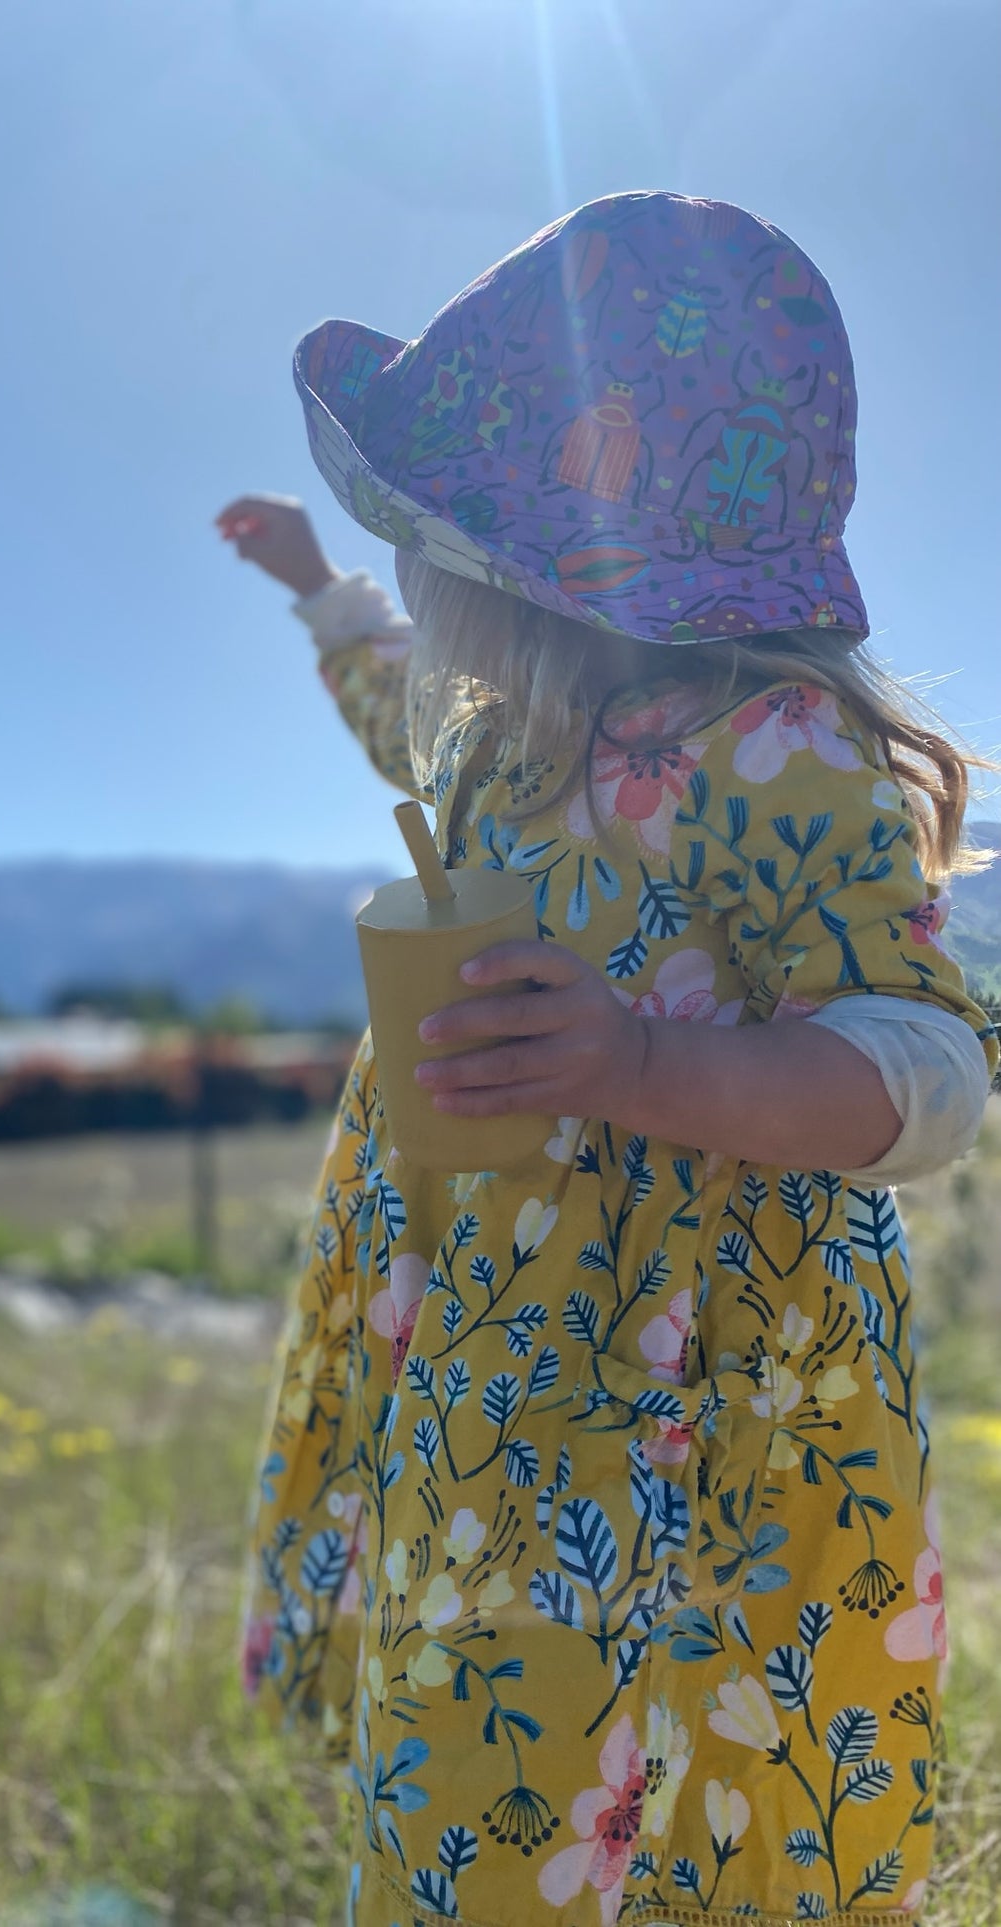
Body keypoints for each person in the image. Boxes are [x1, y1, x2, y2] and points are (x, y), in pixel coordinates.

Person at [219, 191, 996, 1927]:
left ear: (564, 553)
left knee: (692, 1761)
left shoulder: (774, 745)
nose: (427, 578)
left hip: (701, 1395)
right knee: (486, 1746)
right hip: (501, 1356)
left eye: (444, 538)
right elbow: (394, 704)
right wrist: (310, 588)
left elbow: (925, 1069)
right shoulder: (514, 739)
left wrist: (635, 1061)